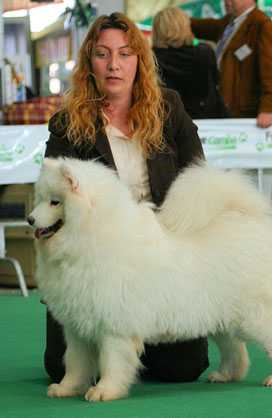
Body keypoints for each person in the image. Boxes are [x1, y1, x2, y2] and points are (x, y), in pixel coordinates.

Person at [43, 12, 209, 383]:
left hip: (161, 254)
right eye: (102, 54)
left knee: (182, 369)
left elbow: (198, 180)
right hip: (97, 262)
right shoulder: (67, 123)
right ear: (89, 63)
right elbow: (50, 198)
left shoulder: (170, 108)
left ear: (140, 60)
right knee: (62, 367)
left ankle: (134, 341)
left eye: (125, 53)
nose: (114, 65)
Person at [190, 0, 272, 128]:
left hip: (246, 116)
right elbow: (202, 26)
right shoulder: (229, 23)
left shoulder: (263, 26)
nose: (226, 1)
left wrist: (269, 109)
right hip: (226, 110)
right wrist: (179, 20)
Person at [152, 7, 229, 119]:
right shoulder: (205, 53)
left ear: (158, 30)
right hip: (207, 121)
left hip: (169, 123)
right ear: (186, 27)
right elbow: (216, 82)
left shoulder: (151, 59)